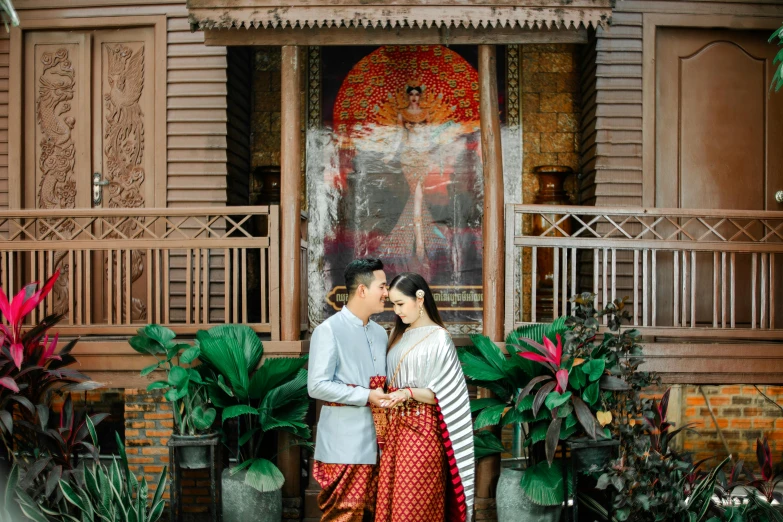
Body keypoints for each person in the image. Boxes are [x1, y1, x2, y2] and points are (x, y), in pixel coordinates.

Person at [374, 272, 474, 522]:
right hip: (395, 432)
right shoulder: (398, 335)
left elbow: (443, 393)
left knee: (413, 508)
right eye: (393, 305)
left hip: (422, 432)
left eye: (400, 304)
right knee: (393, 507)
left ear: (420, 299)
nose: (396, 311)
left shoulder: (439, 338)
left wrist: (406, 393)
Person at [308, 258, 392, 522]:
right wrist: (367, 395)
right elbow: (317, 386)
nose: (387, 293)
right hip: (343, 444)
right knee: (344, 515)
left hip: (379, 442)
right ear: (362, 290)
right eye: (382, 286)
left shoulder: (380, 333)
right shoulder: (328, 331)